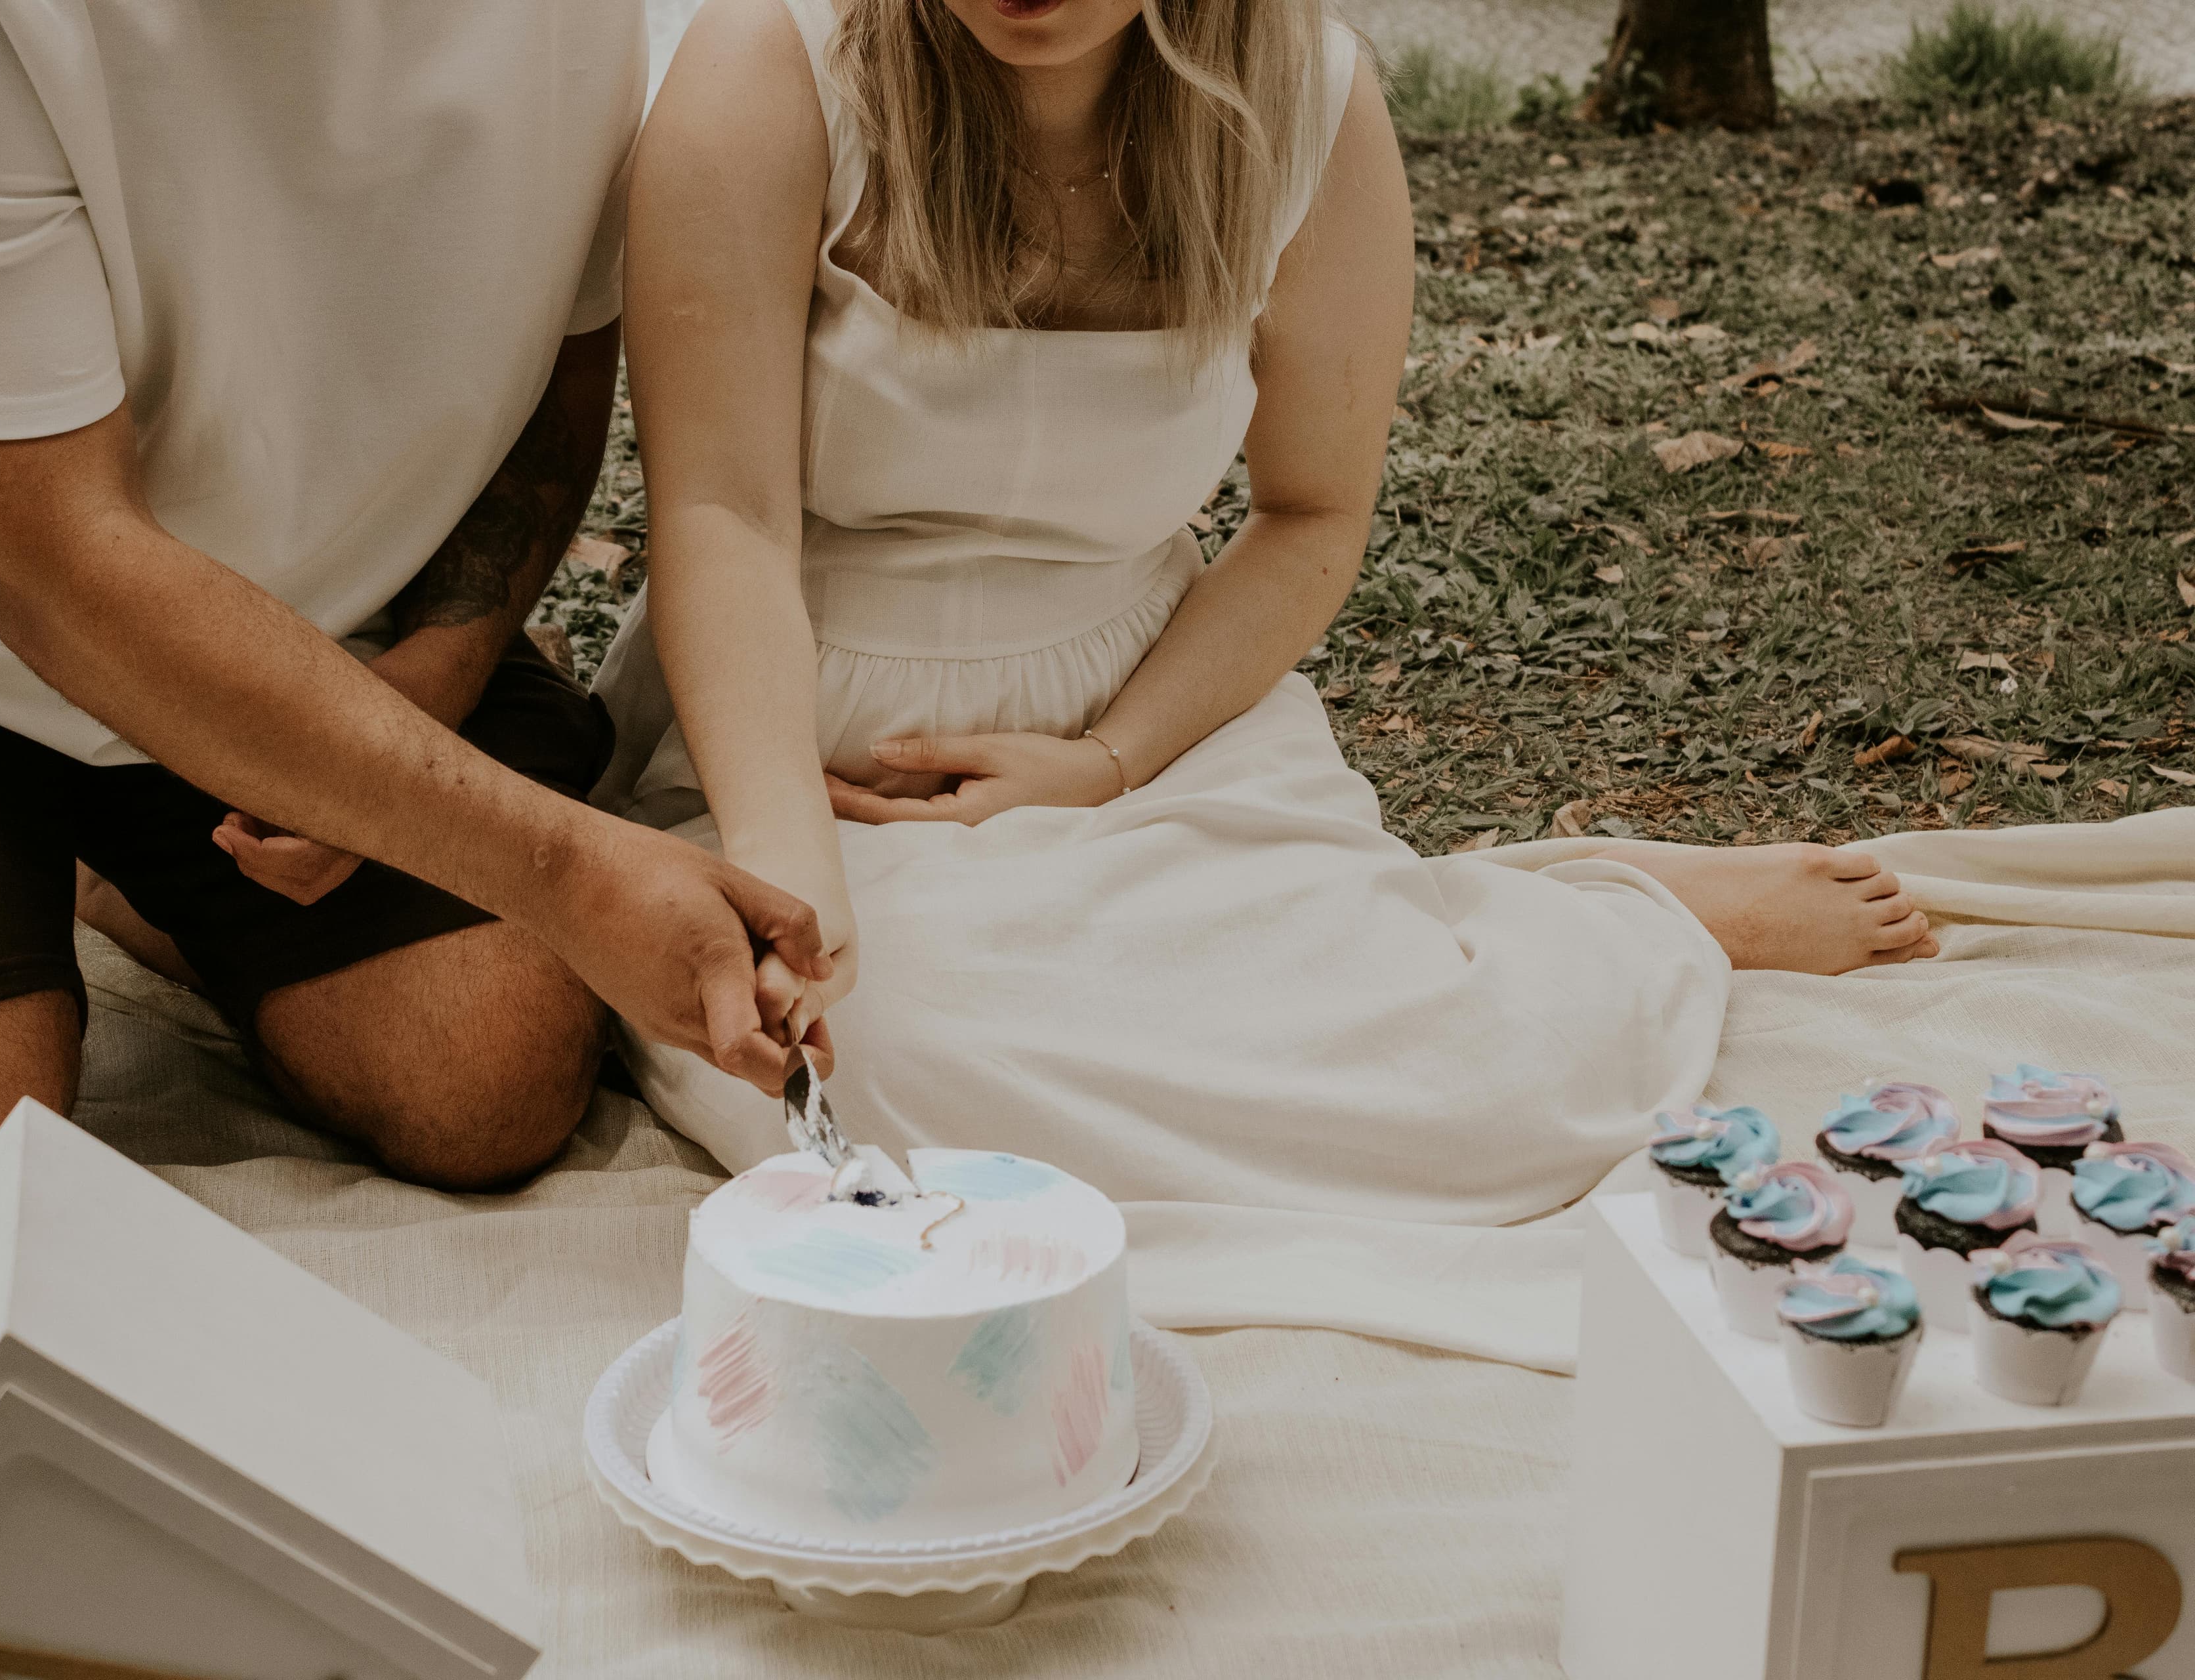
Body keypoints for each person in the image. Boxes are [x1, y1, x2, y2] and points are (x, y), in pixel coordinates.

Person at [590, 0, 1942, 1224]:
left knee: (1470, 1090)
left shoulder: (1310, 103)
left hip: (1150, 719)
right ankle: (1397, 919)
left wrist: (1107, 760)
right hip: (805, 750)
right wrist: (787, 881)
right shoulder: (772, 64)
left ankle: (1607, 922)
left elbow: (1311, 514)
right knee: (904, 1097)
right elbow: (723, 518)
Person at [0, 1, 831, 1293]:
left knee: (486, 1073)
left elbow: (563, 334)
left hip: (288, 588)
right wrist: (561, 867)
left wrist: (435, 670)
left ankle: (105, 875)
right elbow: (59, 574)